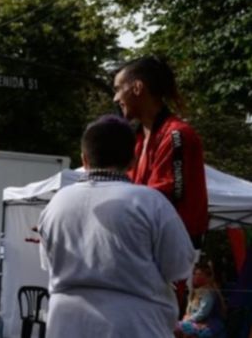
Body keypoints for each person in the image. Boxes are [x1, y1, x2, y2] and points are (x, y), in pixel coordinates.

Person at [38, 115, 196, 338]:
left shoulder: (55, 204)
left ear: (84, 159)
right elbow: (179, 266)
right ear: (133, 161)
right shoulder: (151, 202)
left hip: (65, 325)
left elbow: (49, 263)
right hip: (134, 326)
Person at [115, 56, 208, 245]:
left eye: (118, 89)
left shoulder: (176, 135)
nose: (115, 98)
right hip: (147, 243)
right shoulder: (138, 138)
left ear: (137, 88)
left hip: (169, 248)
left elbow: (159, 197)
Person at [175, 261, 226, 338]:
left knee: (179, 328)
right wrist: (187, 317)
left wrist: (188, 319)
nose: (195, 276)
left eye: (199, 274)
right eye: (194, 274)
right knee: (175, 327)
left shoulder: (208, 292)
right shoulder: (196, 291)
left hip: (210, 325)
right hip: (197, 322)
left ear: (207, 277)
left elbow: (203, 313)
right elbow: (190, 311)